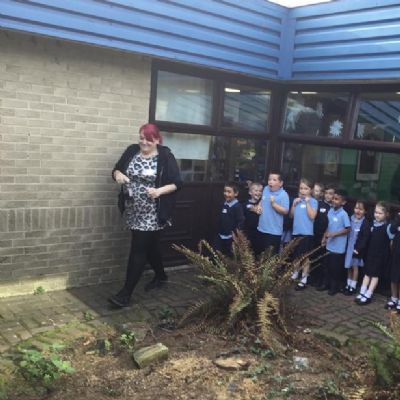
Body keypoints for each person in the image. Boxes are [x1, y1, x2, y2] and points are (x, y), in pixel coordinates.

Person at [108, 123, 182, 308]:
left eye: (149, 139)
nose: (144, 142)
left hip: (153, 212)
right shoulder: (132, 151)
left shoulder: (165, 156)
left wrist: (159, 191)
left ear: (157, 139)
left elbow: (177, 183)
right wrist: (118, 175)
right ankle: (161, 276)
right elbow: (116, 169)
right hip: (133, 209)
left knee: (138, 250)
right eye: (141, 138)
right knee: (151, 247)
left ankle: (125, 294)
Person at [355, 202, 394, 305]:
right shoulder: (372, 224)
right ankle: (362, 291)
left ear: (386, 214)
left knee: (375, 275)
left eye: (380, 213)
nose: (377, 215)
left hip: (380, 255)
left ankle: (368, 294)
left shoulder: (387, 227)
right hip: (370, 253)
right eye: (376, 212)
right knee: (367, 273)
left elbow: (392, 240)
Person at [317, 189, 351, 295]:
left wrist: (334, 234)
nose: (334, 201)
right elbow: (328, 226)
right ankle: (325, 284)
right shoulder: (330, 211)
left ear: (343, 202)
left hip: (338, 247)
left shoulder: (344, 214)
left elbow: (348, 229)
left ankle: (334, 287)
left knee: (335, 268)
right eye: (333, 199)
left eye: (337, 199)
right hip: (329, 245)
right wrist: (324, 237)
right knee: (327, 266)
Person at [290, 178, 318, 290]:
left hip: (307, 234)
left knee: (305, 257)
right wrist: (293, 205)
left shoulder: (313, 202)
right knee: (296, 256)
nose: (303, 191)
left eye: (306, 189)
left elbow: (312, 216)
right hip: (296, 232)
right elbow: (291, 216)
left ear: (310, 190)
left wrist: (307, 202)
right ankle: (295, 273)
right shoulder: (296, 200)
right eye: (301, 188)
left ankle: (304, 279)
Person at [257, 172, 289, 256]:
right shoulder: (266, 189)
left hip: (273, 232)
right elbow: (262, 200)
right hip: (261, 228)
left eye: (274, 180)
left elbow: (285, 211)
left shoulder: (284, 195)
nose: (270, 182)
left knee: (270, 259)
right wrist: (259, 206)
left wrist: (274, 205)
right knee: (259, 256)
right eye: (269, 179)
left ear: (281, 183)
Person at [343, 201, 369, 295]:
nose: (358, 211)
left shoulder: (365, 223)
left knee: (355, 267)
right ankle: (348, 284)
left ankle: (353, 286)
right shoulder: (350, 219)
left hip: (357, 249)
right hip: (349, 247)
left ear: (365, 211)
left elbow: (365, 238)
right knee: (349, 266)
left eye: (361, 209)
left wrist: (358, 249)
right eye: (356, 208)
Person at [309, 182, 331, 286]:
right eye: (326, 193)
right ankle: (311, 277)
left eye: (330, 194)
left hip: (325, 235)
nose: (328, 196)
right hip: (314, 233)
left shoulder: (331, 207)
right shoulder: (318, 204)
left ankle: (320, 279)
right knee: (313, 256)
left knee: (322, 258)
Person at [215, 182, 245, 256]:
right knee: (217, 253)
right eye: (225, 191)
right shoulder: (223, 204)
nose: (226, 194)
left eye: (229, 192)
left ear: (236, 193)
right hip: (221, 235)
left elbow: (240, 221)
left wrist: (235, 236)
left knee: (229, 255)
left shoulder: (237, 207)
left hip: (231, 238)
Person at [242, 182, 263, 253]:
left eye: (260, 191)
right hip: (248, 232)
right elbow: (250, 207)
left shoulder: (262, 203)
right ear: (250, 192)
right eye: (256, 190)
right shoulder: (245, 204)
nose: (258, 192)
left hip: (259, 232)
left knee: (257, 251)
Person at [386, 211, 400, 312]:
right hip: (396, 252)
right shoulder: (398, 217)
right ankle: (394, 298)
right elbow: (392, 229)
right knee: (394, 276)